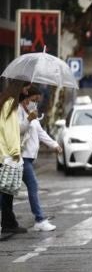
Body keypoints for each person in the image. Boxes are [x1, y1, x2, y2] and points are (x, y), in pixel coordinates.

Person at [18, 85, 60, 231]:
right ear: (26, 97)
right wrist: (29, 119)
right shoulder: (18, 110)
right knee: (33, 185)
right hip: (20, 156)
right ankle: (39, 219)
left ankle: (9, 220)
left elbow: (41, 133)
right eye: (34, 99)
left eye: (37, 101)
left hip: (28, 157)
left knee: (7, 191)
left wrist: (54, 145)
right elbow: (17, 130)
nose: (35, 103)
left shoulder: (31, 112)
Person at [0, 79, 29, 234]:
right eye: (26, 88)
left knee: (6, 191)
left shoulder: (5, 101)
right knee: (6, 190)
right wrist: (15, 151)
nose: (27, 92)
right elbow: (9, 129)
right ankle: (8, 223)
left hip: (3, 151)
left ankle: (8, 222)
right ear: (20, 87)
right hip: (7, 153)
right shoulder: (11, 104)